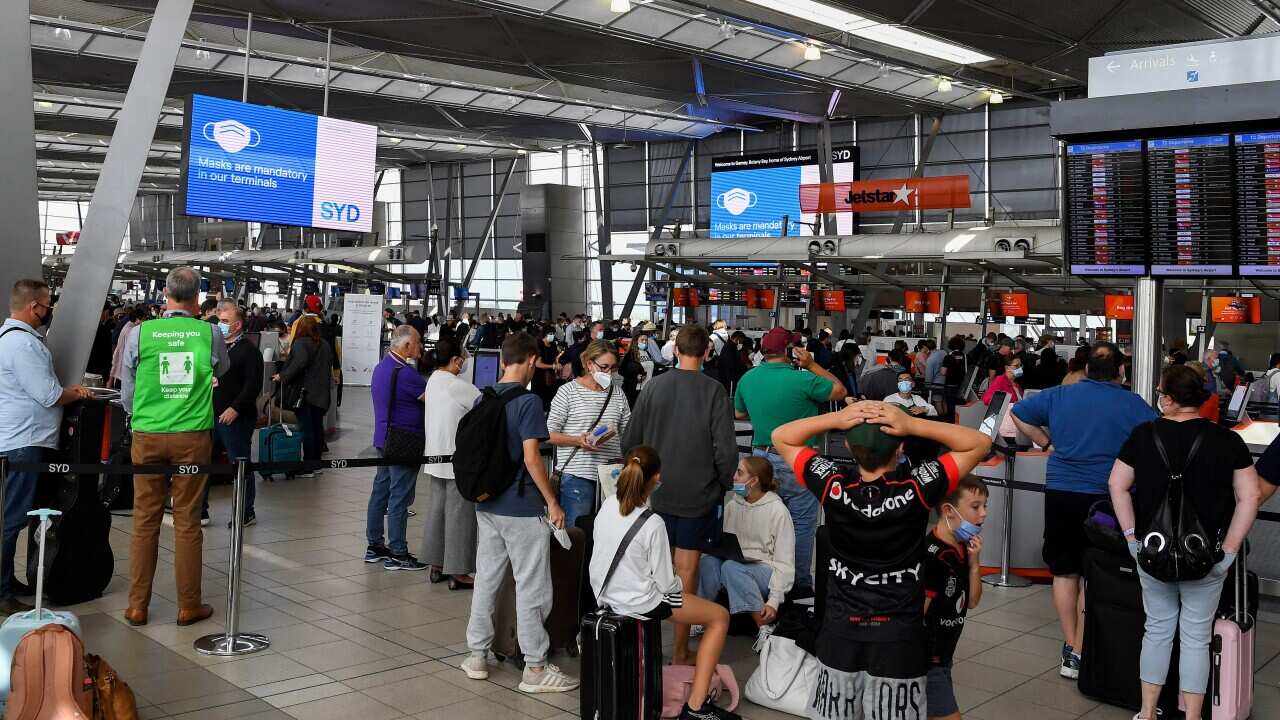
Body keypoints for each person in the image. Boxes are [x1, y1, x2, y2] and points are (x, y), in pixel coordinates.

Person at [771, 401, 991, 720]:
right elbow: (980, 442)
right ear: (900, 448)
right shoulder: (916, 487)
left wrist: (837, 417)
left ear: (847, 444)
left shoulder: (833, 486)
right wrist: (914, 424)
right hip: (898, 636)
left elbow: (782, 437)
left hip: (841, 631)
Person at [1108, 364, 1262, 720]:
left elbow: (1117, 485)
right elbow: (1250, 496)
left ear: (1168, 399)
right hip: (1205, 555)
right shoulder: (1227, 440)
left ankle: (1147, 712)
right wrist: (1230, 550)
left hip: (1153, 550)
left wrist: (1133, 538)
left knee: (1157, 630)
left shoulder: (1143, 435)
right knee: (1196, 637)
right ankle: (1192, 716)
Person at [1010, 342, 1158, 679]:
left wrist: (1047, 443)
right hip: (1108, 499)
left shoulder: (1062, 396)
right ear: (1122, 372)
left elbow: (1017, 413)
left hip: (1062, 491)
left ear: (1087, 369)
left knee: (1064, 570)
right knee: (1095, 571)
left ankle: (1071, 645)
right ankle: (1081, 648)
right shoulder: (1135, 404)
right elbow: (1153, 443)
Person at [461, 332, 578, 694]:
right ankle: (535, 667)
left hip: (487, 504)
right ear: (529, 360)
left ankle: (477, 655)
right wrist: (553, 502)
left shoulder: (485, 397)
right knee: (532, 587)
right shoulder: (527, 402)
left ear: (501, 361)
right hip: (522, 508)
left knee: (487, 579)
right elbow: (531, 458)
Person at [589, 446, 738, 720]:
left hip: (606, 593)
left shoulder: (608, 504)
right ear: (656, 479)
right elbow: (667, 584)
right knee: (718, 617)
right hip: (640, 601)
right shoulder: (652, 523)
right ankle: (696, 707)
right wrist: (684, 578)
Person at [622, 324, 737, 665]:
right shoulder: (714, 391)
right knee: (686, 569)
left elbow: (631, 441)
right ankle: (679, 651)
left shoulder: (654, 386)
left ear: (674, 351)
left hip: (653, 495)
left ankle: (645, 647)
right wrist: (722, 484)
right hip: (696, 495)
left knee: (649, 569)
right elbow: (726, 451)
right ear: (707, 352)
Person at [120, 266, 229, 627]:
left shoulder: (140, 333)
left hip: (147, 434)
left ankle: (137, 605)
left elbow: (127, 393)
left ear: (165, 295)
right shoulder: (209, 333)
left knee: (145, 519)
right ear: (197, 297)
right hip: (192, 436)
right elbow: (222, 368)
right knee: (186, 521)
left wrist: (141, 414)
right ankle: (188, 605)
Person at [0, 280, 92, 614]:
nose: (49, 310)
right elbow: (49, 394)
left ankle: (7, 582)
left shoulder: (11, 339)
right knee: (11, 519)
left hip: (20, 439)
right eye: (47, 304)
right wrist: (76, 392)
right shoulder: (23, 345)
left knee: (13, 515)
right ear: (33, 307)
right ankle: (1, 591)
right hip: (24, 442)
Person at [733, 327, 845, 595]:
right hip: (798, 460)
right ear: (788, 351)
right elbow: (839, 391)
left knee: (764, 520)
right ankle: (798, 585)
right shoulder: (803, 379)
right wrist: (812, 363)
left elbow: (739, 412)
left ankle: (765, 581)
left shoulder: (748, 378)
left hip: (760, 458)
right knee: (802, 523)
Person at [697, 456, 794, 633]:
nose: (733, 477)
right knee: (708, 562)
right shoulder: (734, 505)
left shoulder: (778, 511)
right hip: (735, 562)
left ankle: (764, 626)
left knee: (731, 567)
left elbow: (785, 565)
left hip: (765, 569)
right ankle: (702, 617)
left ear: (754, 481)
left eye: (739, 473)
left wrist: (774, 601)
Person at [548, 339, 632, 528]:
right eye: (604, 367)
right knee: (577, 536)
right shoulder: (567, 392)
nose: (608, 373)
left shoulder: (618, 394)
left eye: (612, 368)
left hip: (612, 478)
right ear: (589, 364)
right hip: (577, 478)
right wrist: (578, 440)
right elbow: (548, 434)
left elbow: (628, 434)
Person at [923, 477, 988, 720]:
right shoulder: (933, 556)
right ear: (948, 510)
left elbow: (971, 601)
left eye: (985, 506)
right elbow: (918, 610)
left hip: (946, 652)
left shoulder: (962, 548)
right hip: (927, 658)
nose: (983, 514)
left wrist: (974, 565)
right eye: (975, 506)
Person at [365, 324, 427, 571]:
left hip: (383, 439)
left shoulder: (381, 367)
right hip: (404, 442)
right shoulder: (407, 374)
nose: (421, 346)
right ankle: (398, 552)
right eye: (418, 342)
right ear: (406, 345)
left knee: (380, 492)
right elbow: (431, 399)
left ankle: (375, 546)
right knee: (400, 497)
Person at [421, 335, 481, 588]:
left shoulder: (434, 379)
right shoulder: (457, 385)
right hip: (457, 460)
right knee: (460, 515)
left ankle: (437, 563)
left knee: (438, 512)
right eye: (464, 357)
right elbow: (485, 405)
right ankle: (458, 571)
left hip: (435, 456)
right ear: (456, 360)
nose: (466, 361)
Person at [211, 301, 264, 528]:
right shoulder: (214, 349)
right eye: (219, 321)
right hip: (210, 416)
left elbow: (253, 385)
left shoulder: (249, 351)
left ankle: (245, 510)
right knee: (204, 462)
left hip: (237, 418)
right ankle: (200, 509)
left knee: (240, 464)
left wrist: (235, 408)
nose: (221, 326)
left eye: (225, 322)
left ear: (238, 325)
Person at [275, 316, 334, 469]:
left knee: (306, 429)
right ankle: (316, 463)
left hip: (305, 394)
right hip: (321, 393)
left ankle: (308, 465)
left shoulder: (300, 343)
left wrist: (283, 376)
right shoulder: (325, 345)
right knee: (317, 428)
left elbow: (299, 362)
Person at [619, 331, 649, 407]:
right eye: (642, 340)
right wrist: (635, 376)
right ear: (636, 341)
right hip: (634, 389)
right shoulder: (631, 354)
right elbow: (621, 370)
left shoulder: (647, 353)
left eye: (646, 340)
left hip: (647, 389)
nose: (645, 342)